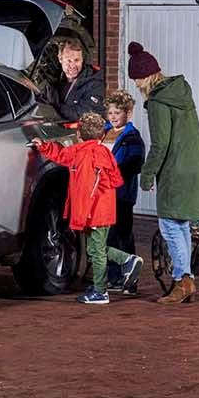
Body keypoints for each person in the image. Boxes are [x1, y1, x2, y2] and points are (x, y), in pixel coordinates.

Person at [128, 42, 199, 305]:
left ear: (146, 77)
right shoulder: (180, 93)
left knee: (170, 226)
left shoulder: (158, 102)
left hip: (175, 172)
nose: (136, 85)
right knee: (181, 225)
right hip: (194, 168)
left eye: (137, 79)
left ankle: (183, 281)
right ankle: (185, 279)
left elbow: (160, 144)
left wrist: (146, 175)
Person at [30, 112, 142, 305]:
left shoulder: (79, 152)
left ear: (80, 135)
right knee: (95, 249)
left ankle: (101, 290)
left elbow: (60, 155)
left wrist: (42, 146)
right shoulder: (105, 152)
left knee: (96, 252)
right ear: (101, 135)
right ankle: (127, 261)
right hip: (106, 209)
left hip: (93, 211)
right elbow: (116, 179)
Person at [101, 90, 146, 285]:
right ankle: (112, 276)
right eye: (110, 113)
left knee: (122, 236)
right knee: (106, 236)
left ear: (127, 113)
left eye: (117, 113)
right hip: (103, 193)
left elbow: (136, 163)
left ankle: (129, 279)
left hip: (121, 194)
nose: (113, 117)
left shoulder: (132, 137)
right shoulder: (103, 132)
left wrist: (114, 174)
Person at [41, 36, 105, 122]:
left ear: (82, 60)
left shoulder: (95, 84)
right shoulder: (53, 81)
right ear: (60, 59)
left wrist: (53, 107)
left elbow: (80, 115)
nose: (72, 65)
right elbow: (41, 103)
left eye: (76, 60)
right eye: (68, 60)